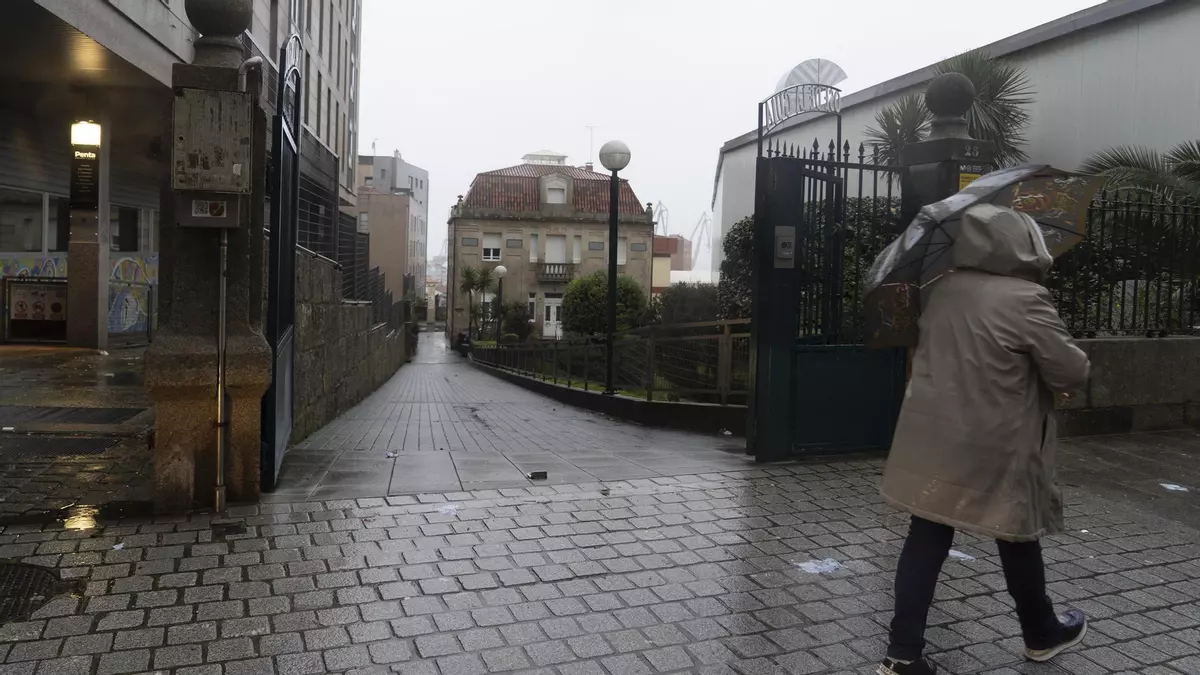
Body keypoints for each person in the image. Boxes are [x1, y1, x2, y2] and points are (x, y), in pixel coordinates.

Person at [877, 203, 1091, 675]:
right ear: (1024, 243)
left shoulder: (941, 290)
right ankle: (1041, 633)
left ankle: (902, 653)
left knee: (927, 532)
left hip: (934, 434)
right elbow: (1070, 371)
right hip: (998, 438)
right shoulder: (1026, 298)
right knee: (1015, 530)